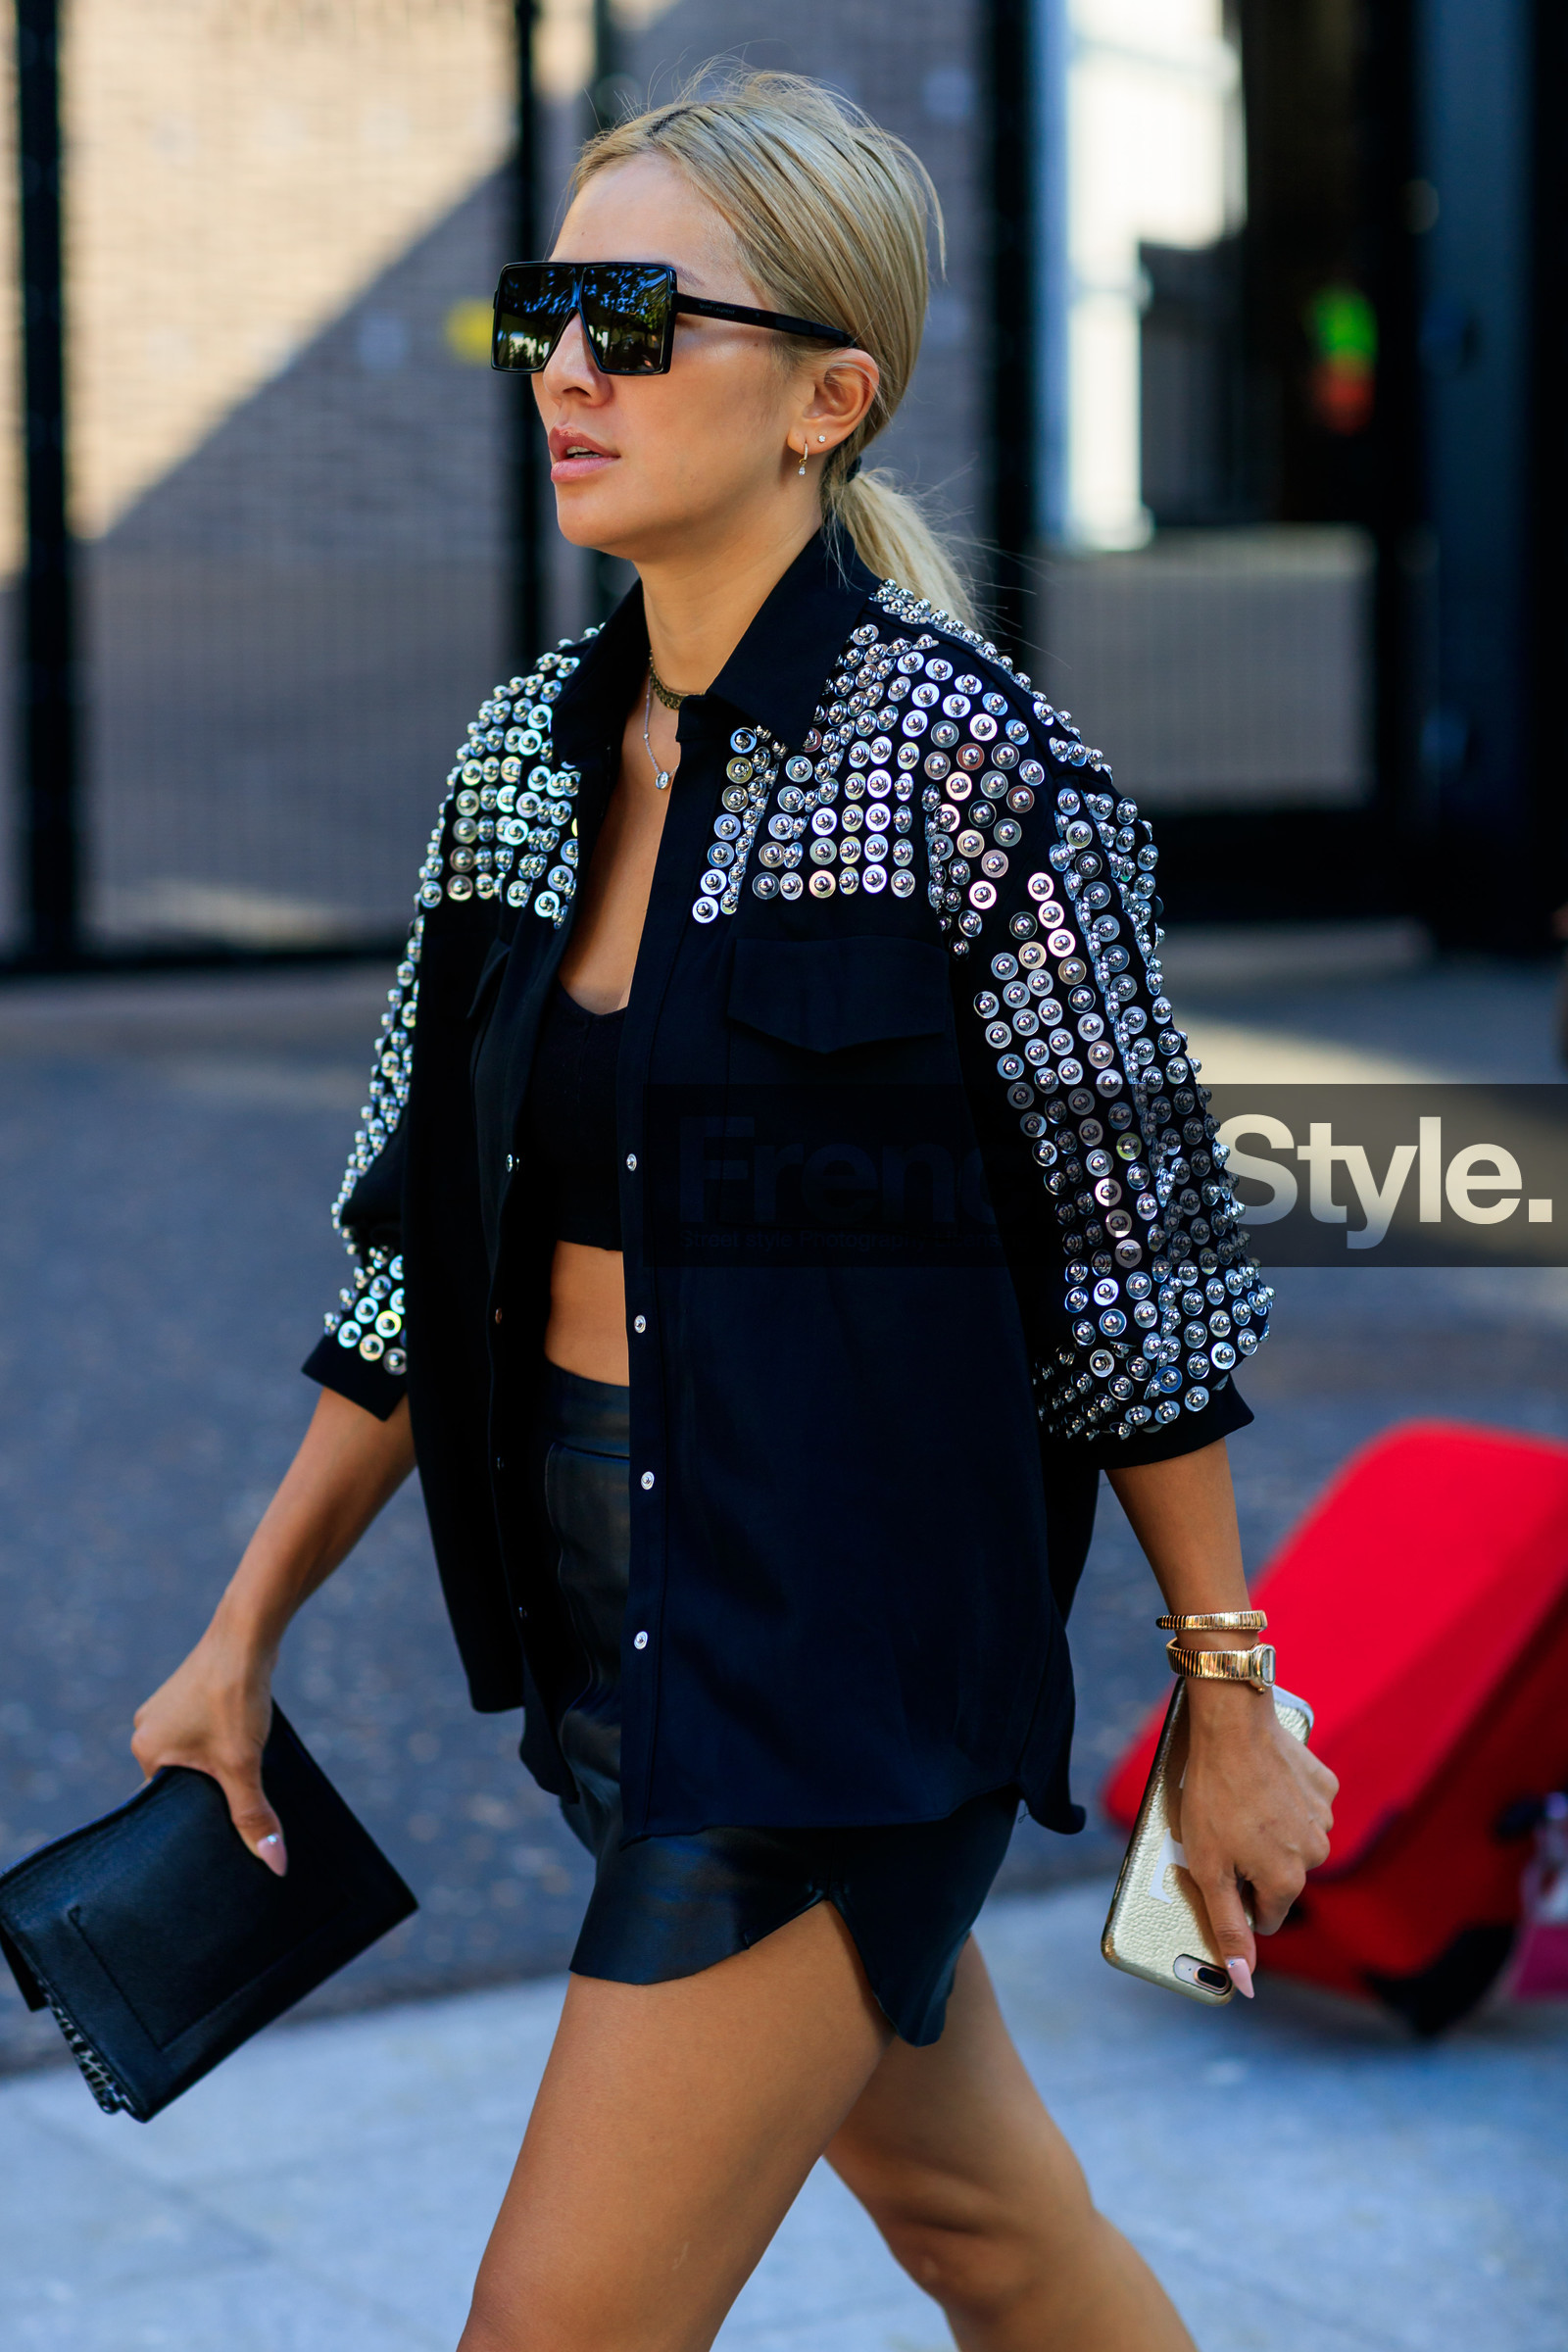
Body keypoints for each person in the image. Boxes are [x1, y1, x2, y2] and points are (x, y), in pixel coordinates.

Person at [132, 73, 1336, 2352]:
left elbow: (1137, 1285)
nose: (566, 370)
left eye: (632, 317)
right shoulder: (516, 764)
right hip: (607, 1645)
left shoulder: (974, 773)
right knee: (988, 2226)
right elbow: (417, 1258)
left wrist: (1224, 1699)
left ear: (826, 395)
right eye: (544, 315)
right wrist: (240, 1630)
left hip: (836, 1668)